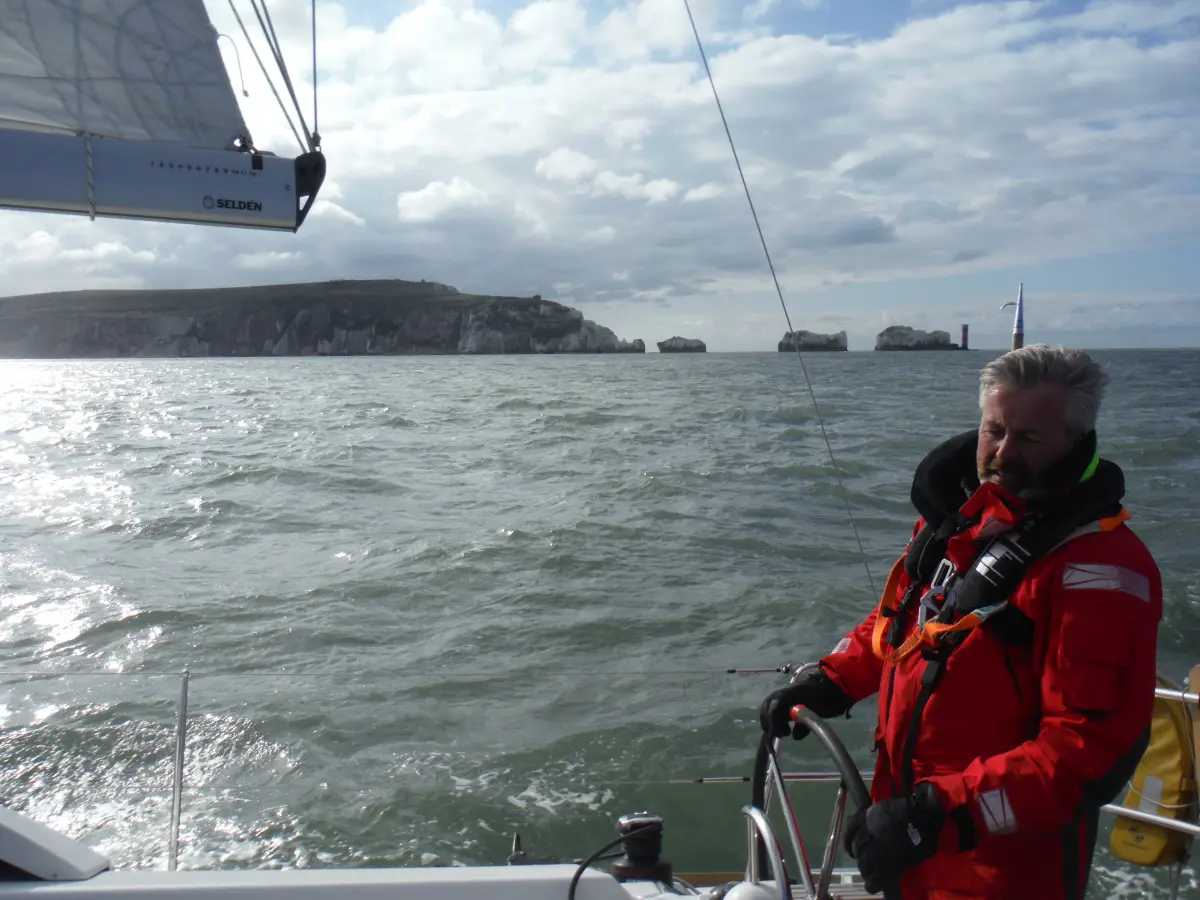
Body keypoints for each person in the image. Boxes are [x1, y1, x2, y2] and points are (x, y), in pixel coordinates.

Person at [759, 344, 1162, 900]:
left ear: (1075, 441)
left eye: (1029, 438)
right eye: (993, 430)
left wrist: (935, 814)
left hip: (1002, 869)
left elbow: (1086, 750)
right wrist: (833, 679)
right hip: (909, 847)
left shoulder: (1099, 568)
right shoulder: (960, 525)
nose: (1003, 452)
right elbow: (902, 625)